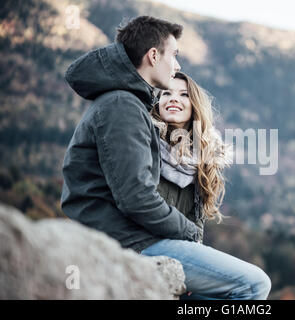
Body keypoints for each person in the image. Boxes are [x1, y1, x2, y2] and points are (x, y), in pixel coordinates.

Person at [61, 16, 201, 256]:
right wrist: (191, 234)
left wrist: (192, 236)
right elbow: (136, 197)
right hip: (126, 241)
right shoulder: (122, 106)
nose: (177, 66)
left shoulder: (129, 104)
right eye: (174, 55)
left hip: (137, 237)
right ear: (154, 56)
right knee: (254, 283)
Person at [142, 71, 271, 300]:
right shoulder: (144, 140)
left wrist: (195, 262)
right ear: (157, 102)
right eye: (166, 93)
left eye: (183, 94)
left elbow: (196, 222)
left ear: (195, 106)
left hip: (181, 251)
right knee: (256, 285)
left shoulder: (203, 156)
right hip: (146, 244)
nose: (173, 98)